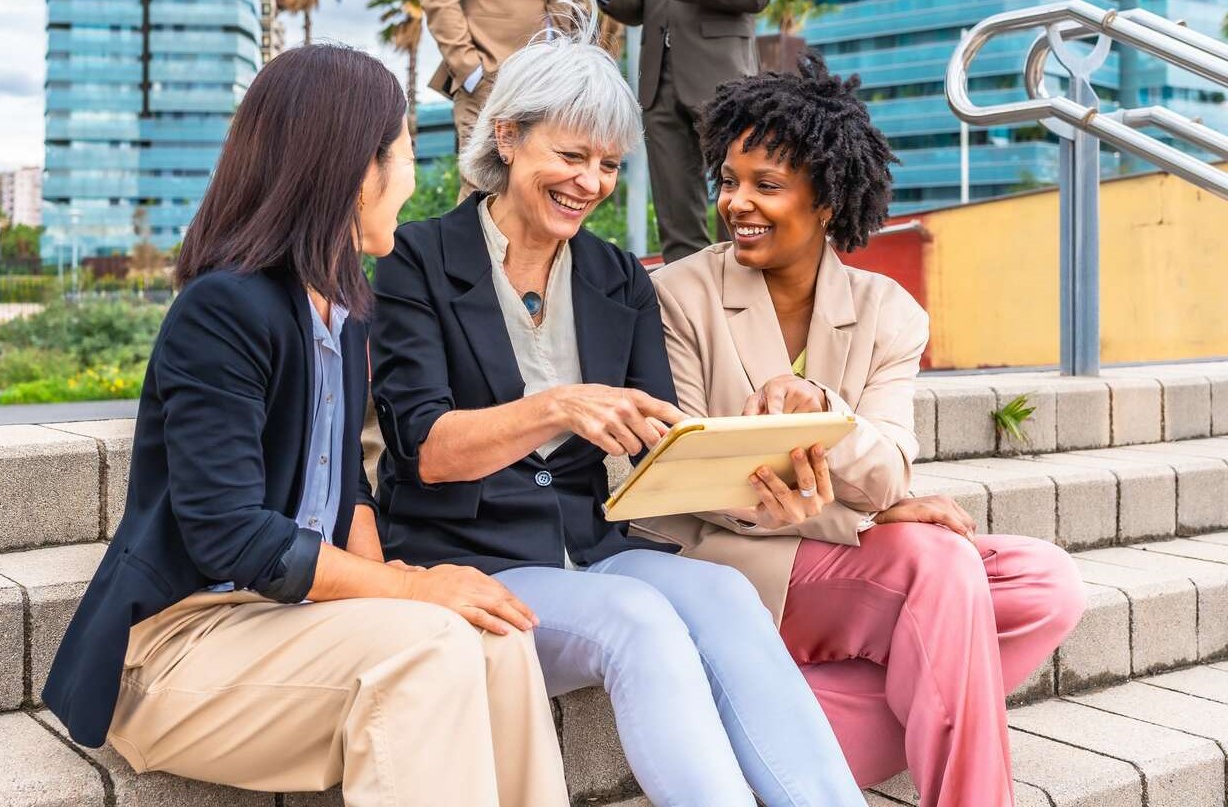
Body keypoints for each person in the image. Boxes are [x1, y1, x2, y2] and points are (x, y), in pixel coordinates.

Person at [41, 46, 570, 807]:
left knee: (497, 629)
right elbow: (231, 534)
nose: (414, 181)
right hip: (180, 649)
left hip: (289, 622)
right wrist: (406, 595)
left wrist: (399, 586)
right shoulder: (223, 310)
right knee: (432, 641)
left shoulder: (344, 309)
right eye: (405, 154)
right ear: (359, 173)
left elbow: (346, 486)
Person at [370, 26, 863, 807]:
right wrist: (556, 404)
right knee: (639, 618)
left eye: (608, 165)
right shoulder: (416, 262)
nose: (590, 183)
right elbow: (426, 451)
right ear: (507, 134)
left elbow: (656, 448)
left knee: (724, 591)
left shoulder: (617, 277)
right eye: (571, 157)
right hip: (466, 560)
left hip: (589, 549)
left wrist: (755, 481)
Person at [632, 58, 1087, 807]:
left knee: (1046, 583)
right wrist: (874, 512)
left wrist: (822, 411)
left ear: (827, 200)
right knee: (936, 564)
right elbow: (699, 481)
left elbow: (886, 467)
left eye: (765, 186)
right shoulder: (678, 296)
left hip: (835, 558)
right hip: (729, 560)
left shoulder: (889, 313)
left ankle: (784, 726)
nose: (734, 202)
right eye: (728, 180)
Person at [600, 0, 764, 262]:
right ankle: (687, 293)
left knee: (739, 193)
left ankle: (744, 284)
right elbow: (630, 10)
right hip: (658, 79)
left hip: (724, 76)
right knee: (674, 210)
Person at [424, 0, 585, 198]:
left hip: (557, 77)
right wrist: (469, 70)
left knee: (550, 185)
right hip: (490, 77)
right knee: (483, 189)